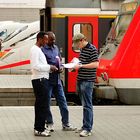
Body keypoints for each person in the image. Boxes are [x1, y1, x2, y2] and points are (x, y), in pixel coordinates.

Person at [41, 31, 76, 132]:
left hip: (57, 81)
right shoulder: (42, 50)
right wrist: (50, 68)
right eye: (52, 39)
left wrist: (61, 67)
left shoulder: (56, 48)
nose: (54, 41)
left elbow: (59, 60)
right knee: (47, 103)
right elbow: (42, 64)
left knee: (63, 102)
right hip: (47, 80)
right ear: (47, 39)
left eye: (54, 39)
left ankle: (66, 124)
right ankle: (49, 123)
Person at [30, 31, 58, 137]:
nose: (47, 41)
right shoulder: (35, 50)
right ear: (40, 39)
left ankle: (39, 127)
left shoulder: (38, 50)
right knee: (42, 105)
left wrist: (50, 69)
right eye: (45, 39)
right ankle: (39, 129)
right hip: (40, 80)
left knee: (41, 105)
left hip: (41, 79)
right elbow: (35, 66)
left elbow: (40, 65)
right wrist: (49, 67)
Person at [72, 33, 99, 137]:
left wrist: (81, 65)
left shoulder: (92, 49)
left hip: (88, 81)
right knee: (84, 105)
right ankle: (85, 126)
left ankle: (88, 128)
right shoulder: (83, 50)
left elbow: (96, 64)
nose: (77, 46)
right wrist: (74, 66)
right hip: (81, 79)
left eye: (77, 44)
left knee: (87, 105)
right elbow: (82, 63)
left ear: (82, 40)